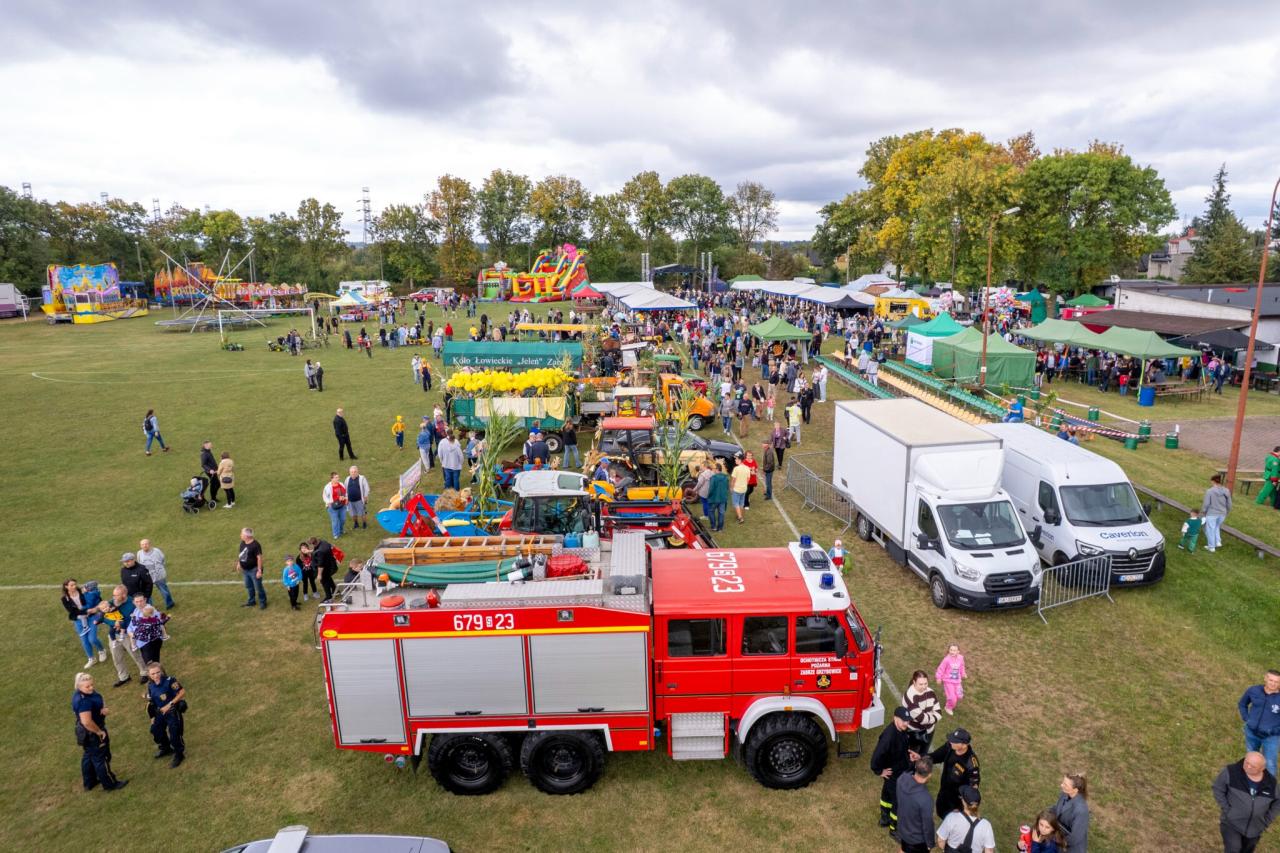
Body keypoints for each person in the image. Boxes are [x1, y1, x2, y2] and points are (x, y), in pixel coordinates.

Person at [1213, 751, 1279, 853]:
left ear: (1262, 768)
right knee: (1233, 849)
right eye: (1246, 762)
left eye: (1252, 766)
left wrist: (1267, 820)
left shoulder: (1271, 783)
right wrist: (1228, 810)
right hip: (1231, 823)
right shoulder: (1231, 772)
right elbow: (1218, 788)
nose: (1247, 767)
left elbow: (1277, 802)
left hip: (1255, 828)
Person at [72, 672, 127, 791]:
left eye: (92, 684)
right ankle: (110, 784)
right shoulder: (84, 702)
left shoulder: (81, 694)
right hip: (92, 732)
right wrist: (99, 732)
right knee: (101, 758)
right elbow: (87, 722)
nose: (91, 688)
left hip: (85, 732)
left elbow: (98, 698)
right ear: (79, 687)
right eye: (87, 686)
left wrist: (103, 707)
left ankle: (89, 782)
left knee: (88, 756)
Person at [870, 707, 918, 831]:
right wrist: (879, 771)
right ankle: (894, 829)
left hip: (897, 770)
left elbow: (900, 749)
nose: (906, 723)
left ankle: (884, 819)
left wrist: (908, 757)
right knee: (898, 801)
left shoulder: (901, 730)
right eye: (903, 721)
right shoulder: (888, 737)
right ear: (895, 718)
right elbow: (876, 756)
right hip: (894, 774)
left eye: (908, 721)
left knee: (887, 795)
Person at [99, 585, 147, 687]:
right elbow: (102, 617)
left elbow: (131, 621)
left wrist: (119, 623)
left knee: (135, 654)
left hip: (127, 635)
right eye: (113, 595)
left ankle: (144, 673)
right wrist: (113, 623)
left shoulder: (132, 604)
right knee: (116, 657)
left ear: (124, 595)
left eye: (116, 595)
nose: (113, 598)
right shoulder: (111, 602)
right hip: (114, 636)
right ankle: (124, 677)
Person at [929, 728, 980, 820]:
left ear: (964, 745)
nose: (951, 741)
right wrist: (922, 758)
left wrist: (962, 809)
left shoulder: (971, 765)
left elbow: (972, 790)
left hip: (956, 804)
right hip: (944, 794)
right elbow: (936, 756)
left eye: (955, 741)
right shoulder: (950, 746)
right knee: (940, 813)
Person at [145, 662, 186, 768]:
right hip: (160, 713)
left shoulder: (170, 681)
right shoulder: (150, 685)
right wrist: (152, 717)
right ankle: (166, 748)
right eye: (153, 674)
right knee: (155, 731)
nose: (156, 675)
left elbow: (182, 692)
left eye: (158, 672)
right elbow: (151, 702)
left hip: (172, 712)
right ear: (149, 675)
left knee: (175, 734)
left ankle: (179, 754)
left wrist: (170, 704)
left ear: (162, 671)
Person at [1239, 671, 1280, 776]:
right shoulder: (1253, 690)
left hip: (1271, 737)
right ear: (1265, 678)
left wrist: (1275, 730)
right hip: (1251, 733)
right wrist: (1247, 718)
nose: (1273, 683)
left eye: (1277, 682)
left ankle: (1269, 789)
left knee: (1270, 764)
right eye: (1271, 680)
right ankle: (1249, 782)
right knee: (1251, 760)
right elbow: (1242, 704)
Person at [62, 579, 107, 668]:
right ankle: (91, 658)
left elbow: (98, 601)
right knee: (84, 641)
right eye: (71, 585)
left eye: (74, 584)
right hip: (79, 621)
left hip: (91, 618)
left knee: (92, 639)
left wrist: (96, 608)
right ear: (66, 587)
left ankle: (102, 650)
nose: (74, 586)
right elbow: (72, 612)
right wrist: (87, 611)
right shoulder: (64, 599)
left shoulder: (83, 591)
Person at [936, 785, 994, 853]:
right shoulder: (986, 825)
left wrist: (945, 850)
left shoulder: (952, 817)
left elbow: (941, 841)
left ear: (963, 802)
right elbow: (989, 851)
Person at [896, 756, 936, 853]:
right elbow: (927, 825)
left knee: (904, 848)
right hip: (917, 839)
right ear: (929, 775)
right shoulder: (925, 799)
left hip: (903, 828)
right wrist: (930, 843)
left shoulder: (901, 779)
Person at [904, 670, 943, 753]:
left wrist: (929, 717)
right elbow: (922, 719)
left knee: (923, 754)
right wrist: (933, 717)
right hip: (914, 732)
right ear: (914, 682)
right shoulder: (910, 696)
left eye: (926, 683)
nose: (924, 687)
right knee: (911, 754)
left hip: (930, 731)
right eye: (920, 684)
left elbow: (939, 712)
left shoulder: (931, 692)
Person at [1051, 772, 1090, 852]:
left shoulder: (1081, 810)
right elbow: (1058, 808)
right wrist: (1045, 814)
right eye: (1063, 783)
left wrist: (1055, 839)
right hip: (1059, 840)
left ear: (1075, 790)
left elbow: (1074, 838)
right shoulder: (1065, 794)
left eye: (1065, 785)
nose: (1061, 785)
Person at [137, 539, 174, 609]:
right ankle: (149, 606)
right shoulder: (139, 553)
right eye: (142, 544)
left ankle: (169, 603)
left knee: (164, 590)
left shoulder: (157, 551)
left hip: (158, 576)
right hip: (147, 577)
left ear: (149, 544)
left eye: (146, 544)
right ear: (140, 546)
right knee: (147, 593)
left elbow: (163, 560)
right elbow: (140, 563)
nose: (144, 546)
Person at [130, 595, 168, 664]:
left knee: (152, 664)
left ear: (145, 600)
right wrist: (130, 631)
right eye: (137, 602)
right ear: (133, 602)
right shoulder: (136, 610)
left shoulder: (150, 611)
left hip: (150, 641)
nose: (139, 603)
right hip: (142, 642)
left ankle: (161, 674)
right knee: (152, 664)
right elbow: (131, 626)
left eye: (141, 601)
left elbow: (158, 623)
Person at [236, 527, 266, 609]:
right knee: (249, 586)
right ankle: (251, 601)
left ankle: (263, 602)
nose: (240, 535)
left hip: (254, 569)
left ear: (247, 536)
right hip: (245, 570)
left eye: (242, 534)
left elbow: (259, 558)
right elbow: (241, 553)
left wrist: (259, 571)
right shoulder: (243, 542)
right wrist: (239, 563)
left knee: (258, 587)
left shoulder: (255, 545)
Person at [1203, 473, 1233, 553]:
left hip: (1212, 513)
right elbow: (1229, 503)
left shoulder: (1210, 491)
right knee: (1216, 527)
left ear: (1213, 481)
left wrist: (1204, 511)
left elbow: (1206, 503)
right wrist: (1227, 511)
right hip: (1222, 513)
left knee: (1209, 529)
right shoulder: (1226, 491)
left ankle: (1211, 547)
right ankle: (1218, 542)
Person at [936, 643, 967, 715]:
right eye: (951, 650)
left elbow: (962, 667)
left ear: (958, 651)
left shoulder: (961, 658)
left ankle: (952, 700)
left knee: (960, 695)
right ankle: (948, 707)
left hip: (957, 681)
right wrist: (938, 678)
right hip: (948, 681)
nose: (952, 652)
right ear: (949, 650)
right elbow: (941, 669)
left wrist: (963, 674)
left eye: (954, 650)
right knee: (952, 698)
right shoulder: (946, 660)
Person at [312, 537, 340, 603]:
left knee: (324, 582)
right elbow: (332, 546)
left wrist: (319, 575)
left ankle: (328, 597)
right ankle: (335, 590)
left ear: (314, 544)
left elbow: (320, 565)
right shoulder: (324, 542)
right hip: (330, 565)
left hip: (324, 569)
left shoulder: (320, 552)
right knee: (329, 578)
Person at [323, 472, 348, 539]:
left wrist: (345, 498)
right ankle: (336, 534)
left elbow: (345, 493)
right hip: (333, 507)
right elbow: (325, 496)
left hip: (342, 505)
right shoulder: (328, 487)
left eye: (338, 477)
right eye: (336, 477)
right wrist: (329, 503)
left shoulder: (341, 484)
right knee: (335, 520)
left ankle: (341, 530)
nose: (338, 478)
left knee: (343, 519)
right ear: (332, 478)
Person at [345, 465, 370, 530]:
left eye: (354, 471)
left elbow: (366, 488)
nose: (353, 473)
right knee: (353, 514)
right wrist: (346, 498)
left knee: (362, 513)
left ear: (357, 472)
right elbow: (345, 489)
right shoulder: (347, 479)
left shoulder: (362, 478)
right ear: (349, 472)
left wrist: (365, 496)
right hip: (350, 501)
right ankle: (356, 524)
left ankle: (364, 524)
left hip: (359, 500)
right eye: (351, 472)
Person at [707, 460, 729, 532]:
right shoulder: (726, 477)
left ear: (717, 469)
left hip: (714, 499)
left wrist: (708, 496)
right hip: (723, 498)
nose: (713, 470)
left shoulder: (713, 478)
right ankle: (720, 528)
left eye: (714, 469)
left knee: (711, 511)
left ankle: (713, 527)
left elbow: (711, 489)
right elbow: (727, 488)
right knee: (721, 513)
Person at [729, 455, 751, 524]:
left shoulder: (736, 469)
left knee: (736, 503)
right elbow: (748, 479)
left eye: (736, 459)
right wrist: (745, 485)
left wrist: (731, 488)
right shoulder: (747, 468)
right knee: (741, 503)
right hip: (744, 488)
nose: (735, 460)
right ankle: (740, 515)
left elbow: (733, 480)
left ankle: (740, 518)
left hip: (737, 489)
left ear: (740, 460)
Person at [200, 440, 220, 505]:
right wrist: (210, 470)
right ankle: (213, 498)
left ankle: (213, 497)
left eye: (211, 444)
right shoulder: (204, 454)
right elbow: (203, 464)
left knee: (215, 484)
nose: (211, 445)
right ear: (205, 445)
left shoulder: (208, 451)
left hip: (214, 471)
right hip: (210, 472)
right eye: (209, 445)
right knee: (216, 484)